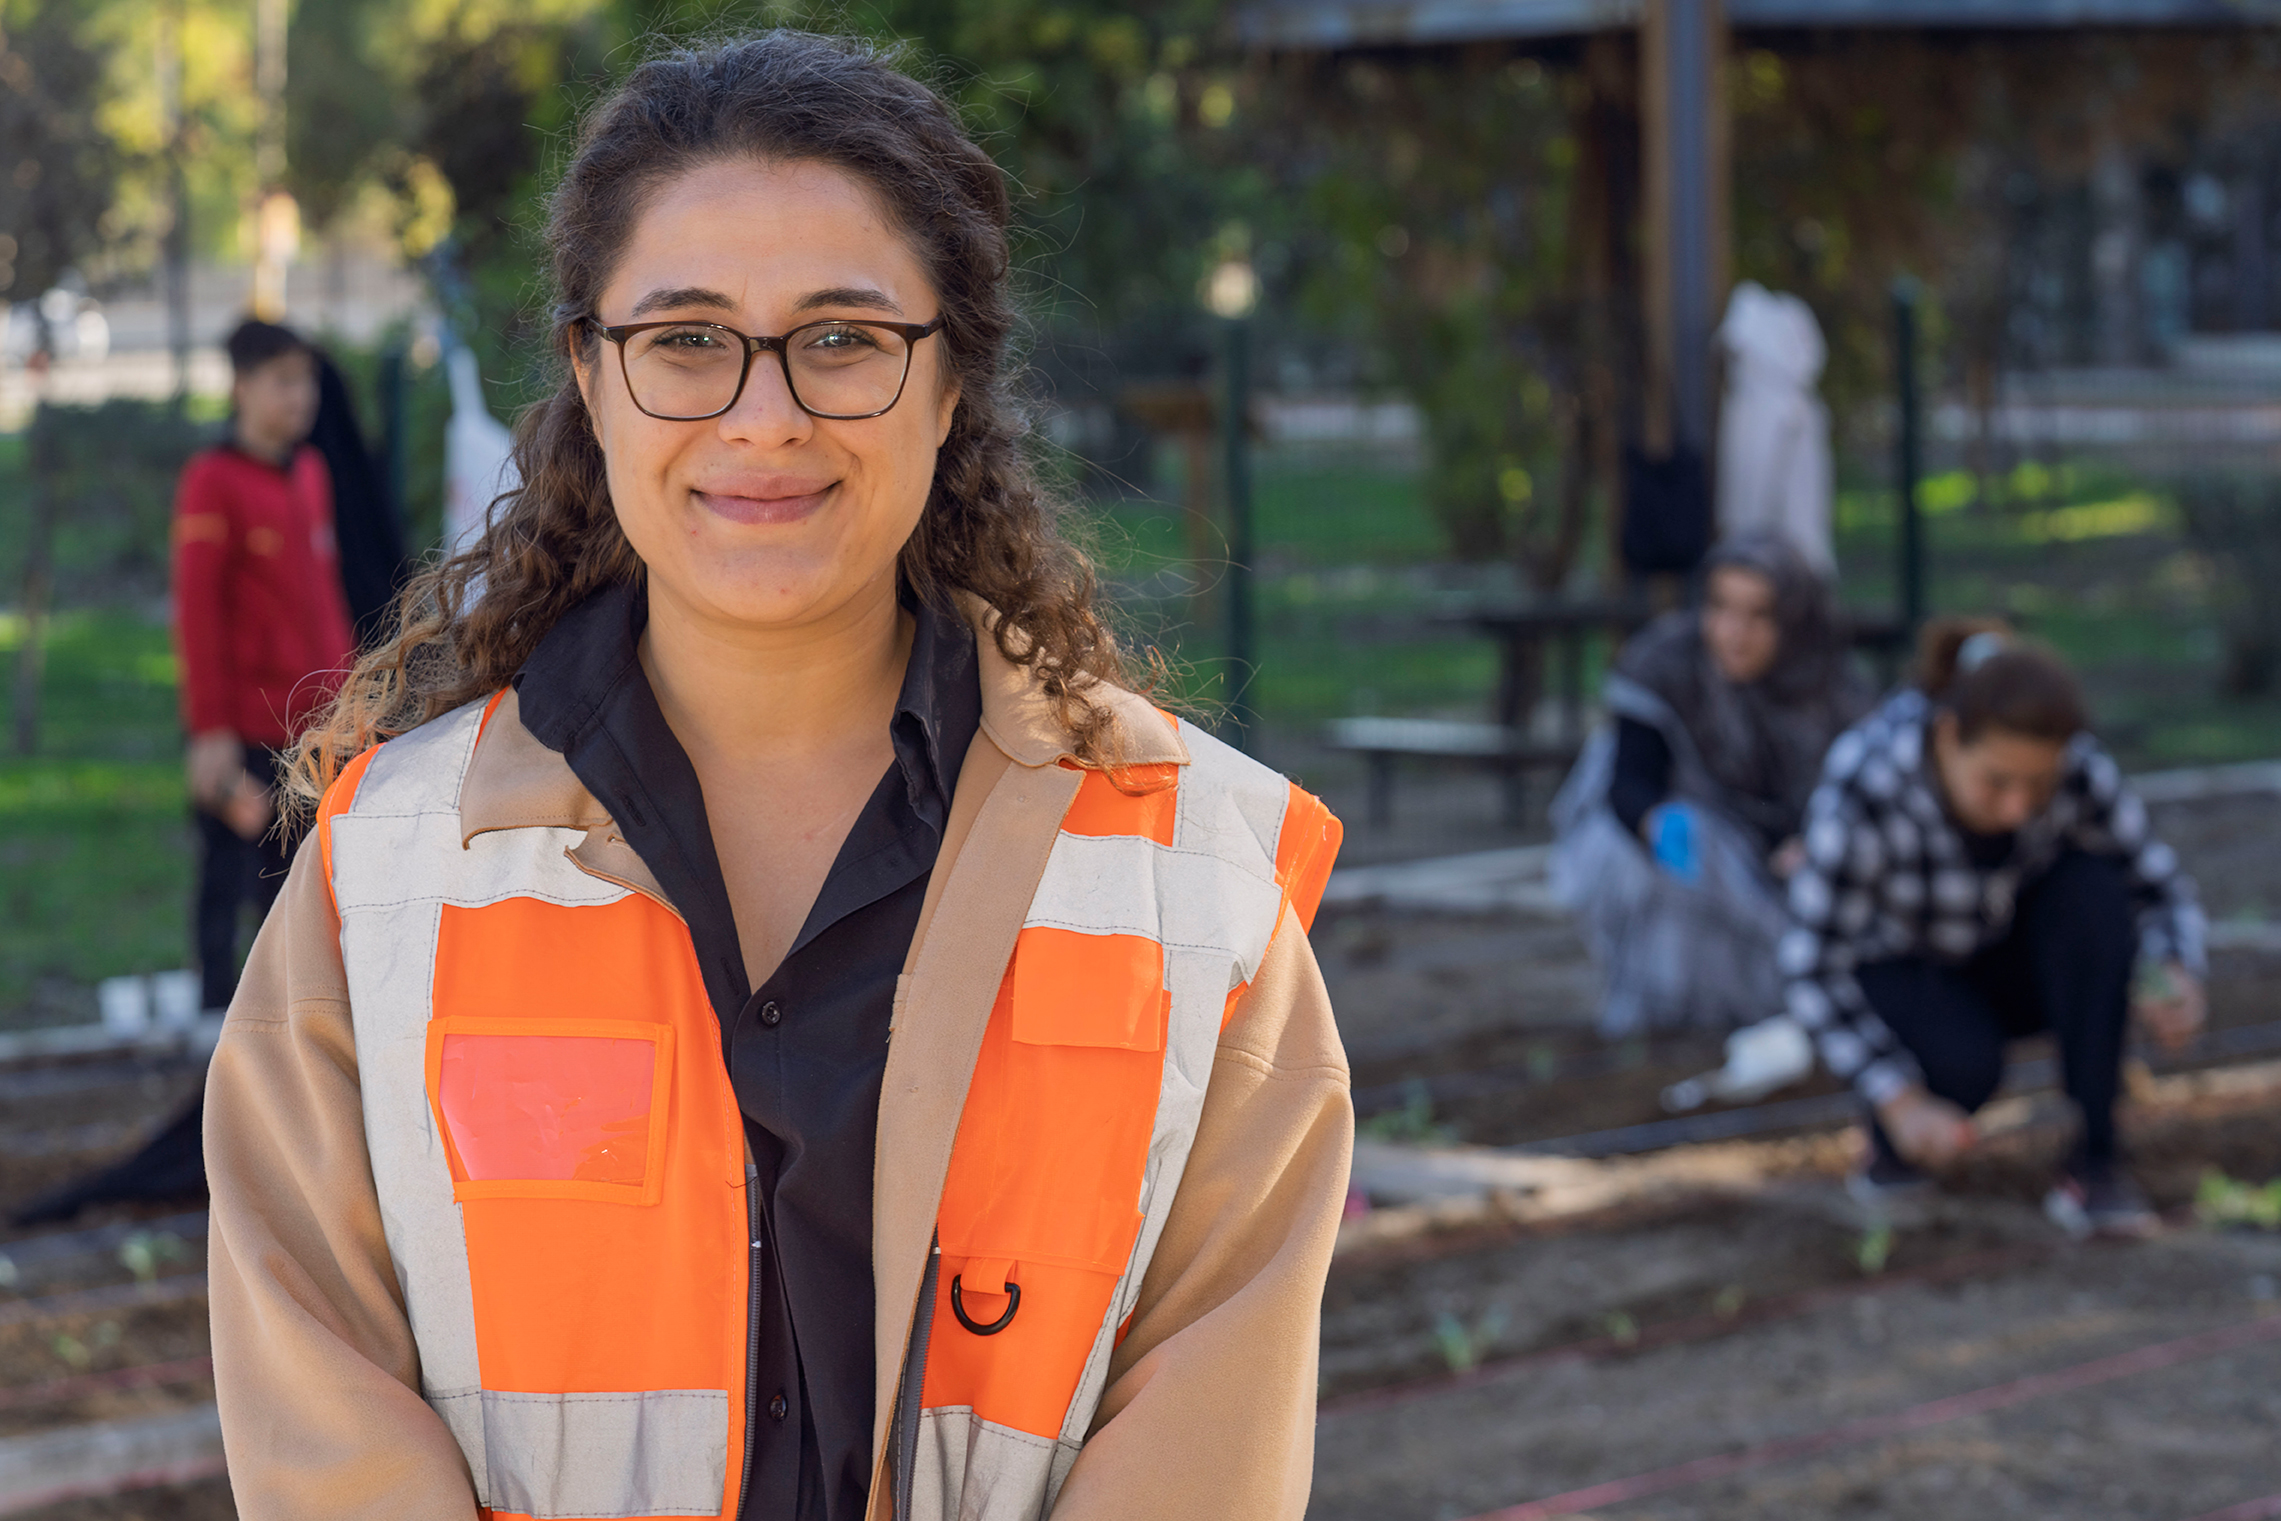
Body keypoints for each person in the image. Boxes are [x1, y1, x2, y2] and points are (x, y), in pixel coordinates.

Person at [203, 32, 1350, 1521]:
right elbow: (324, 1423)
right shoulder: (388, 877)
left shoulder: (1193, 884)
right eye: (685, 337)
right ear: (589, 377)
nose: (763, 416)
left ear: (950, 384)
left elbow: (1208, 1441)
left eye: (843, 338)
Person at [1780, 617, 2207, 1235]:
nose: (2018, 808)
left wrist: (2174, 969)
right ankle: (1895, 1134)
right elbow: (1810, 965)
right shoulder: (1868, 783)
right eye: (1997, 783)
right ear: (1950, 737)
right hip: (1907, 968)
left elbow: (2157, 888)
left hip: (2004, 951)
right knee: (1962, 1067)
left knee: (2093, 892)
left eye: (2038, 786)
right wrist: (1898, 1100)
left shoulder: (2079, 769)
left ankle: (2096, 1158)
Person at [1552, 533, 1870, 1036]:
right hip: (1696, 844)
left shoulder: (1835, 690)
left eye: (1758, 616)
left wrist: (1810, 842)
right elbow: (1630, 779)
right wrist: (1656, 824)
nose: (1733, 633)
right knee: (1647, 858)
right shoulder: (1665, 663)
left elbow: (1854, 798)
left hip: (1793, 870)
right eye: (1720, 608)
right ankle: (1657, 1017)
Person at [171, 317, 357, 1016]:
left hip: (316, 726)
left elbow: (325, 598)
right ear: (242, 387)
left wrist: (349, 700)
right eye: (282, 381)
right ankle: (214, 1016)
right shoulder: (212, 482)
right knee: (231, 871)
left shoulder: (310, 473)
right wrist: (211, 731)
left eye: (306, 379)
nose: (299, 396)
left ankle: (291, 1016)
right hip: (246, 728)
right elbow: (198, 613)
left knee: (299, 881)